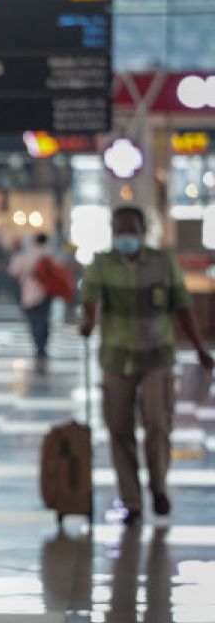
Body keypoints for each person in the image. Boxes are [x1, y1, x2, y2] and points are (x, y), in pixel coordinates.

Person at [80, 205, 214, 526]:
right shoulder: (101, 264)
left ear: (143, 231)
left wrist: (199, 348)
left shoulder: (162, 263)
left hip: (157, 356)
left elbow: (183, 307)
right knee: (119, 428)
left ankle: (158, 485)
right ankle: (131, 501)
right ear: (113, 231)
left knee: (158, 422)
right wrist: (87, 323)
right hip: (116, 358)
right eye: (120, 230)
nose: (125, 236)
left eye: (131, 230)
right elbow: (91, 302)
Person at [8, 233, 53, 361]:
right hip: (47, 293)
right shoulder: (50, 254)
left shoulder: (28, 254)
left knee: (35, 321)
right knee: (44, 320)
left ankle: (39, 346)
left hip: (30, 293)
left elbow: (13, 270)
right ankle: (42, 346)